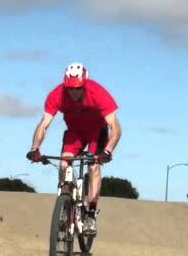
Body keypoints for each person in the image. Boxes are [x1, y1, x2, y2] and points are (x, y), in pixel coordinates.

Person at [26, 63, 121, 235]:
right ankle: (65, 203)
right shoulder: (57, 95)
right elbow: (43, 125)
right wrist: (35, 148)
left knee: (94, 167)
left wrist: (107, 151)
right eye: (70, 89)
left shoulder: (98, 93)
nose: (74, 93)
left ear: (85, 84)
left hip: (96, 133)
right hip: (75, 133)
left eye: (78, 89)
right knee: (64, 165)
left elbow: (115, 128)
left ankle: (91, 214)